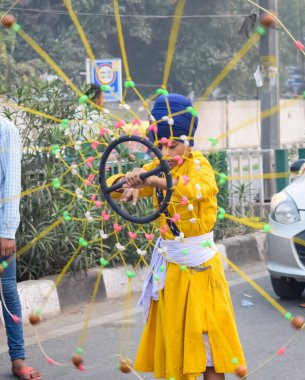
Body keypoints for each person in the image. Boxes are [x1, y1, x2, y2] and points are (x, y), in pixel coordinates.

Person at [107, 94, 245, 380]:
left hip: (200, 273)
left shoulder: (200, 168)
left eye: (174, 144)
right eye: (161, 145)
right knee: (175, 350)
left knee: (208, 354)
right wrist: (129, 182)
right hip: (171, 273)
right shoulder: (157, 167)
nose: (167, 150)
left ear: (188, 142)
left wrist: (150, 179)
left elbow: (191, 191)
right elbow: (114, 187)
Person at [0, 116, 42, 379]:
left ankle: (18, 360)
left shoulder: (5, 128)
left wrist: (6, 231)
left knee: (7, 292)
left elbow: (12, 183)